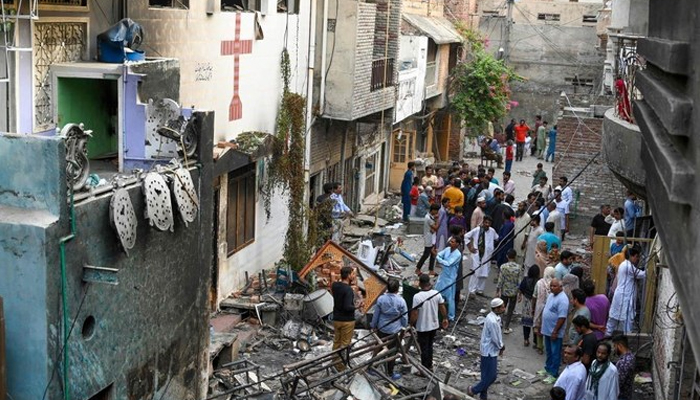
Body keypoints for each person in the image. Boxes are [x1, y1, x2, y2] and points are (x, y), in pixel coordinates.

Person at [468, 298, 506, 400]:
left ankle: (483, 396)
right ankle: (473, 389)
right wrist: (501, 346)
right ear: (497, 309)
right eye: (502, 307)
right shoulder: (493, 321)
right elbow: (495, 338)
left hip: (487, 349)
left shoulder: (493, 317)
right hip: (489, 351)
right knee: (491, 376)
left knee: (485, 376)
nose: (504, 308)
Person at [370, 278, 408, 380]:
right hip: (395, 330)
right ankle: (390, 373)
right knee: (392, 351)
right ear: (397, 288)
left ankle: (372, 367)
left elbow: (376, 314)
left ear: (387, 288)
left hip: (382, 328)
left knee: (378, 347)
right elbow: (404, 317)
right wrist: (404, 327)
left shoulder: (381, 299)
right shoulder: (401, 301)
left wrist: (373, 325)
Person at [410, 274, 449, 371]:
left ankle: (424, 370)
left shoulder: (417, 297)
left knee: (424, 348)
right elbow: (442, 306)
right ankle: (430, 365)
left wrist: (410, 324)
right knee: (430, 345)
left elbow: (414, 313)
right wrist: (445, 318)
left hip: (423, 326)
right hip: (434, 325)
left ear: (420, 283)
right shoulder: (436, 293)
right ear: (429, 282)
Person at [607, 247, 646, 335]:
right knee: (627, 319)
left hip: (621, 294)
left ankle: (608, 334)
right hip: (625, 296)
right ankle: (627, 337)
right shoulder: (628, 266)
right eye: (636, 257)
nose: (637, 259)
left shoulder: (624, 264)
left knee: (613, 317)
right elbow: (642, 274)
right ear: (631, 256)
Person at [541, 278, 569, 381]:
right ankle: (548, 368)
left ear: (560, 287)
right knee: (548, 350)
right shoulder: (551, 295)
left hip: (554, 332)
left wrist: (555, 331)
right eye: (551, 286)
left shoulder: (563, 299)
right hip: (547, 329)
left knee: (555, 352)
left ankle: (554, 373)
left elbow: (562, 317)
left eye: (554, 286)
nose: (552, 288)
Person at [466, 216, 499, 296]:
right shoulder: (477, 230)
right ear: (483, 222)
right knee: (476, 272)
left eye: (489, 223)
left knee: (485, 273)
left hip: (487, 256)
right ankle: (472, 291)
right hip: (477, 255)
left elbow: (497, 238)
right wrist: (470, 248)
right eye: (486, 222)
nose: (487, 224)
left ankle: (480, 289)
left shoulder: (492, 231)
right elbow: (466, 236)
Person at [332, 266, 356, 370]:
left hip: (336, 319)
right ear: (349, 275)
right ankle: (341, 367)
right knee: (345, 345)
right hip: (347, 321)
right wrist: (357, 307)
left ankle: (334, 363)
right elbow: (347, 307)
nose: (354, 276)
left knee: (337, 343)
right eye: (353, 274)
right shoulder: (348, 290)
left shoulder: (335, 286)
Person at [435, 236, 463, 321]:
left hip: (450, 279)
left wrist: (439, 259)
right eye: (451, 241)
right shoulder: (447, 249)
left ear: (457, 244)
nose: (450, 243)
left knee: (450, 298)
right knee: (436, 293)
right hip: (443, 275)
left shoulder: (458, 254)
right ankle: (436, 311)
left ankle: (451, 316)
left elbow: (448, 263)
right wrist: (439, 258)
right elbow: (439, 255)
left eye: (453, 242)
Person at [497, 249, 521, 334]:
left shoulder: (503, 267)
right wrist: (520, 293)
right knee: (510, 310)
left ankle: (499, 323)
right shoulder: (518, 268)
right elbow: (519, 281)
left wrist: (497, 290)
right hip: (513, 292)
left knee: (502, 307)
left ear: (507, 256)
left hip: (505, 291)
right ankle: (506, 327)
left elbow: (500, 280)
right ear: (515, 257)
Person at [534, 267, 555, 354]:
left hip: (540, 308)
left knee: (539, 328)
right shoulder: (554, 284)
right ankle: (549, 347)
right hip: (550, 309)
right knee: (549, 328)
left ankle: (540, 347)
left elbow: (534, 296)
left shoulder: (539, 283)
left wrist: (533, 308)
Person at [416, 204, 440, 276]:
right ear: (433, 210)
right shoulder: (428, 218)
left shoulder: (431, 217)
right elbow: (435, 227)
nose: (437, 213)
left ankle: (431, 270)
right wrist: (437, 220)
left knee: (433, 254)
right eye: (436, 211)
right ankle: (418, 269)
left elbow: (433, 229)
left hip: (433, 238)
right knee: (426, 254)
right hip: (428, 238)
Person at [519, 264, 540, 347]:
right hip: (535, 303)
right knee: (535, 323)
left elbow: (521, 288)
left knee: (526, 323)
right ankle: (535, 341)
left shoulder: (525, 279)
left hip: (527, 302)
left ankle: (526, 339)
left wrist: (521, 296)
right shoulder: (539, 281)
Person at [613, 335, 636, 400]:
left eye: (615, 346)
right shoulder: (631, 356)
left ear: (619, 346)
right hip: (627, 393)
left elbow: (619, 382)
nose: (614, 349)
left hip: (622, 395)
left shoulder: (624, 362)